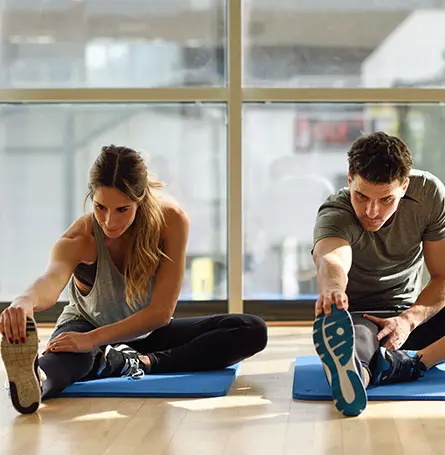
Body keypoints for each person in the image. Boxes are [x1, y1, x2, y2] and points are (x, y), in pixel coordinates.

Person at [0, 145, 268, 414]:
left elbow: (161, 313)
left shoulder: (171, 221)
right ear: (91, 197)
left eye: (122, 210)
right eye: (100, 207)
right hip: (85, 327)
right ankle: (37, 382)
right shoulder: (80, 238)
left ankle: (136, 362)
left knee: (251, 329)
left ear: (140, 199)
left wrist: (96, 340)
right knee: (68, 360)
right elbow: (51, 280)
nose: (109, 221)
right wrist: (25, 301)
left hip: (145, 332)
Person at [312, 131, 445, 417]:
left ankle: (412, 362)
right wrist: (333, 290)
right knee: (353, 350)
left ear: (405, 185)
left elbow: (442, 277)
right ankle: (357, 377)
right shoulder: (336, 212)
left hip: (415, 315)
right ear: (350, 179)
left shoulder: (429, 194)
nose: (372, 211)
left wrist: (408, 321)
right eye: (361, 196)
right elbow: (333, 260)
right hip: (362, 318)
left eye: (385, 199)